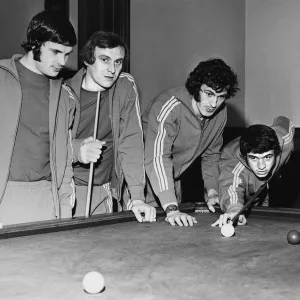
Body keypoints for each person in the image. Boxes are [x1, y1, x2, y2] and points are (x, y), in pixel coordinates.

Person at [68, 31, 156, 222]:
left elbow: (131, 142)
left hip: (104, 190)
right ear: (88, 60)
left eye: (118, 62)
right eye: (105, 60)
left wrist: (137, 197)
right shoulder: (64, 92)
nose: (112, 69)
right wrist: (77, 148)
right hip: (69, 190)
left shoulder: (125, 86)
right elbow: (51, 144)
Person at [0, 11, 77, 225]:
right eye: (55, 52)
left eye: (67, 54)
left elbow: (64, 159)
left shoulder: (63, 95)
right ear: (35, 44)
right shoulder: (1, 77)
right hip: (6, 196)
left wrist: (64, 209)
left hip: (45, 199)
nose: (62, 61)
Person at [143, 58, 239, 227]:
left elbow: (211, 156)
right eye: (209, 94)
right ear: (197, 88)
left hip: (172, 179)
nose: (214, 103)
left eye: (221, 96)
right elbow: (157, 157)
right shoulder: (168, 106)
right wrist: (171, 207)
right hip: (142, 179)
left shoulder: (220, 114)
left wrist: (212, 191)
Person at [212, 116, 294, 227]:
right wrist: (234, 210)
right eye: (254, 158)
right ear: (245, 156)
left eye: (267, 157)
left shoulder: (284, 141)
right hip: (239, 187)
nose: (261, 166)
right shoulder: (234, 166)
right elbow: (231, 187)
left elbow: (284, 121)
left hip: (264, 189)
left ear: (276, 151)